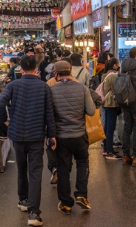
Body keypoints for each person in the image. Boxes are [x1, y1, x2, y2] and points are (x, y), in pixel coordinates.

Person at [0, 56, 56, 226]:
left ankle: (23, 200)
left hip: (17, 135)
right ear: (36, 69)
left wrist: (5, 121)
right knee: (35, 172)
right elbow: (49, 114)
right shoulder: (44, 87)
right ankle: (34, 214)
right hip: (36, 135)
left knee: (21, 169)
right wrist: (51, 135)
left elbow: (0, 103)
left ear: (20, 70)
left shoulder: (13, 85)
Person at [48, 61, 95, 215]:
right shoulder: (83, 88)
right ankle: (81, 194)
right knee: (82, 163)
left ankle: (66, 203)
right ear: (70, 72)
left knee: (63, 169)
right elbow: (91, 111)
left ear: (56, 74)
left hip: (61, 137)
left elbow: (49, 115)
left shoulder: (51, 90)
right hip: (80, 135)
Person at [101, 58, 122, 159]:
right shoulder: (113, 76)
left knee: (107, 127)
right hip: (111, 103)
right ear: (114, 65)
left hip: (105, 103)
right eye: (118, 63)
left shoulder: (105, 75)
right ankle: (110, 151)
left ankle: (106, 148)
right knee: (110, 127)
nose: (119, 65)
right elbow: (117, 90)